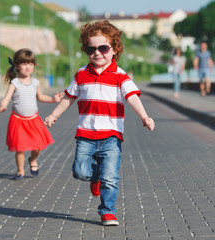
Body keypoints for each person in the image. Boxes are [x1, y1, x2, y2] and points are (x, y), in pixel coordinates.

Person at [44, 20, 155, 226]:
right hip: (85, 135)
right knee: (80, 172)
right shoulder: (81, 74)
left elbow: (132, 97)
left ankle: (107, 212)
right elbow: (69, 97)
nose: (97, 53)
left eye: (103, 48)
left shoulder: (120, 76)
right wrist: (54, 115)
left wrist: (144, 117)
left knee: (110, 178)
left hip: (111, 136)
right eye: (91, 49)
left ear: (114, 49)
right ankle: (95, 177)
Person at [0, 48, 64, 180]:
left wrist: (53, 99)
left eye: (30, 64)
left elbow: (41, 97)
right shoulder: (15, 83)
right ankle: (20, 170)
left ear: (34, 66)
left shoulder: (35, 83)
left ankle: (33, 160)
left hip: (33, 120)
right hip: (18, 120)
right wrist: (3, 104)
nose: (28, 67)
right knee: (20, 148)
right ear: (17, 65)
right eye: (24, 64)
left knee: (38, 147)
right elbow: (7, 97)